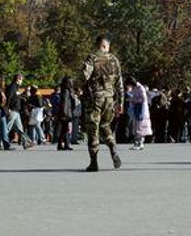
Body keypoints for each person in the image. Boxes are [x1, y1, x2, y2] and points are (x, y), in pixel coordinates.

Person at [80, 35, 124, 172]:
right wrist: (121, 102)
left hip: (95, 100)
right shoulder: (114, 60)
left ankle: (94, 163)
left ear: (98, 45)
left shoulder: (92, 58)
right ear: (106, 46)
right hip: (109, 99)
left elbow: (83, 76)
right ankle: (113, 147)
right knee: (105, 125)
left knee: (93, 130)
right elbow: (120, 83)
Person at [129, 79, 152, 150]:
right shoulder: (134, 88)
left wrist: (134, 100)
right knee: (135, 125)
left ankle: (140, 143)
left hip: (141, 108)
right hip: (136, 107)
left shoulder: (140, 88)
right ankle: (136, 142)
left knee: (140, 125)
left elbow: (144, 99)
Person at [55, 77, 75, 151]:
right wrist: (65, 113)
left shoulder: (66, 90)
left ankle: (63, 144)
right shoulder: (66, 91)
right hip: (66, 112)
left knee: (64, 129)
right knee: (65, 129)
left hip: (65, 112)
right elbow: (65, 103)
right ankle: (64, 144)